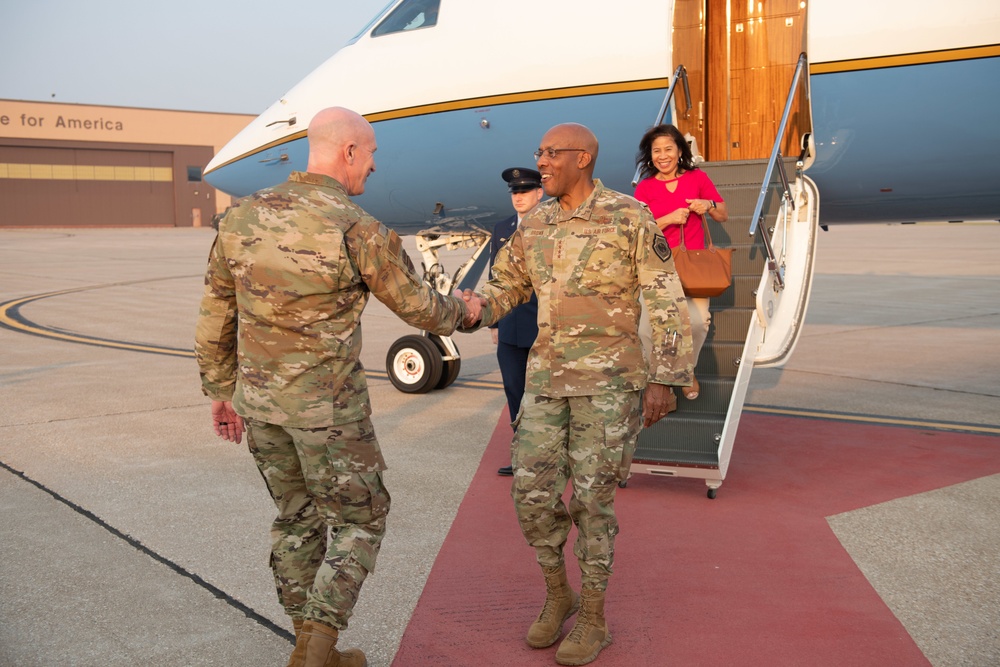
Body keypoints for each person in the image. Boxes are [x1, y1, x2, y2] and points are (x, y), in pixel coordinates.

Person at [194, 106, 480, 667]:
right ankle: (316, 648)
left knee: (295, 520)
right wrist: (468, 312)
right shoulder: (357, 227)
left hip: (262, 408)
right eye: (370, 153)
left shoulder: (241, 218)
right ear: (348, 151)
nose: (373, 166)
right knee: (359, 519)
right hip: (329, 412)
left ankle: (311, 649)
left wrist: (220, 391)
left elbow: (215, 314)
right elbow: (420, 307)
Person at [460, 123, 693, 665]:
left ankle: (592, 614)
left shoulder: (629, 216)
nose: (540, 161)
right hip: (546, 381)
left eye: (549, 153)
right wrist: (472, 309)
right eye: (538, 152)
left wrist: (666, 376)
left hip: (609, 387)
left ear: (582, 158)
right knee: (531, 494)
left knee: (592, 502)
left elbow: (665, 298)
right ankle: (556, 591)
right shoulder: (535, 221)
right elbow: (508, 286)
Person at [633, 123, 729, 400]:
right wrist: (668, 219)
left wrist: (707, 205)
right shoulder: (646, 188)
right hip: (656, 266)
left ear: (679, 152)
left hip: (694, 265)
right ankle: (659, 380)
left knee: (698, 323)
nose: (663, 156)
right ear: (650, 157)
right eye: (656, 151)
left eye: (668, 149)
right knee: (647, 328)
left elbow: (723, 213)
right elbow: (639, 229)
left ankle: (686, 370)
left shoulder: (697, 178)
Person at [489, 167, 543, 476]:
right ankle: (522, 455)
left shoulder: (553, 225)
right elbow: (494, 276)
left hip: (543, 325)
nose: (518, 196)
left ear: (540, 193)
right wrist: (494, 323)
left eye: (525, 191)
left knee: (544, 395)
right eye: (514, 192)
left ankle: (550, 458)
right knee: (514, 389)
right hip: (510, 325)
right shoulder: (502, 228)